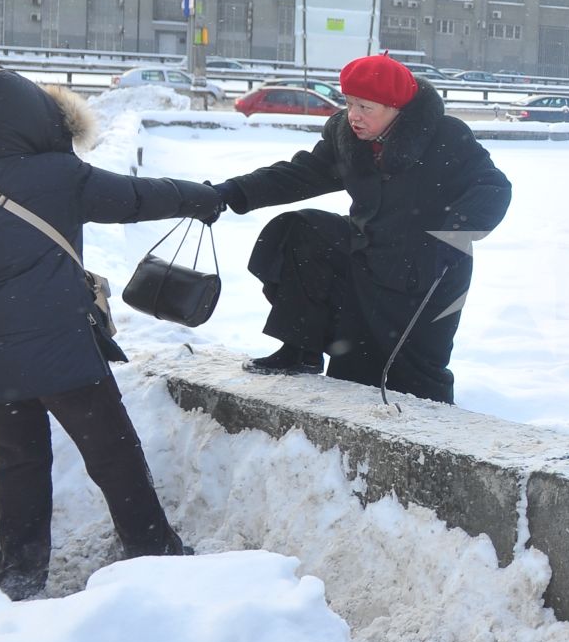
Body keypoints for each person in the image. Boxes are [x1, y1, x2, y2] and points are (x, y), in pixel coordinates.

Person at [0, 70, 228, 600]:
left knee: (19, 464)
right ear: (37, 120)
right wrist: (200, 197)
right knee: (113, 455)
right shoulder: (63, 178)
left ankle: (20, 575)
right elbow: (137, 198)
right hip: (66, 355)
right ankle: (153, 550)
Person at [213, 54, 512, 404]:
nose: (353, 115)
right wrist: (231, 192)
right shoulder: (346, 135)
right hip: (366, 252)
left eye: (365, 107)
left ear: (396, 106)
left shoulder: (446, 137)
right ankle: (300, 349)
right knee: (302, 231)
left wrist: (454, 233)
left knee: (413, 378)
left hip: (429, 266)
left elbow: (493, 187)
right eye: (349, 102)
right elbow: (302, 174)